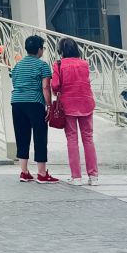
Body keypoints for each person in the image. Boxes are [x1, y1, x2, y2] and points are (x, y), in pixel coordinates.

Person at [8, 35, 59, 184]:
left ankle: (24, 172)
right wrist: (49, 105)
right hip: (35, 103)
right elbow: (45, 87)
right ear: (39, 50)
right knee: (40, 137)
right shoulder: (42, 65)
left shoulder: (17, 65)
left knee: (22, 136)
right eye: (42, 48)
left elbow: (15, 82)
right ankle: (42, 173)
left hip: (16, 102)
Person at [50, 37, 99, 185]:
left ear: (61, 51)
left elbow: (55, 86)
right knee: (88, 139)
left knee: (72, 139)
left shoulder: (58, 65)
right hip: (86, 103)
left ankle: (76, 177)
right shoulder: (84, 63)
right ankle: (93, 176)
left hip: (68, 105)